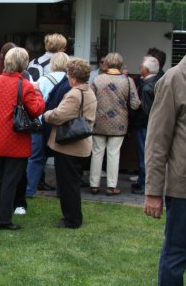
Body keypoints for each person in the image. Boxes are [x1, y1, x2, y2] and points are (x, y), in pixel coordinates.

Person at [0, 47, 45, 230]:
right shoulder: (25, 85)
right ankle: (3, 219)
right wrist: (38, 92)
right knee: (11, 180)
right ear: (23, 64)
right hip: (14, 139)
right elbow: (36, 109)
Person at [144, 55, 186, 286]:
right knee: (176, 255)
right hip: (182, 190)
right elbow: (157, 141)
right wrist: (153, 191)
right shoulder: (174, 79)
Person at [43, 58, 97, 228]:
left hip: (69, 146)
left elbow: (60, 115)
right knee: (72, 183)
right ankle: (73, 217)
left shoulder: (74, 93)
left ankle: (71, 219)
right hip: (80, 145)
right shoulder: (88, 90)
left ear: (73, 77)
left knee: (68, 185)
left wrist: (47, 114)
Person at [89, 52, 140, 195]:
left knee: (97, 152)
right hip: (119, 123)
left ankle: (94, 185)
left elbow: (90, 100)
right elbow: (135, 104)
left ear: (107, 63)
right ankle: (111, 187)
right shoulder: (128, 81)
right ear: (120, 64)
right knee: (113, 153)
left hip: (99, 122)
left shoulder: (98, 79)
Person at [26, 52, 69, 198]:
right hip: (61, 124)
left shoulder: (43, 80)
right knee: (61, 160)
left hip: (41, 123)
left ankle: (29, 189)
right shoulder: (69, 81)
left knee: (36, 157)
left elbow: (36, 102)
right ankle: (61, 191)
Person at [130, 56, 160, 195]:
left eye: (141, 66)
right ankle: (142, 182)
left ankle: (143, 185)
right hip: (149, 125)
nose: (139, 68)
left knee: (144, 155)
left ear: (146, 70)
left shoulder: (147, 87)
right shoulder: (157, 82)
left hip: (143, 125)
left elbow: (146, 111)